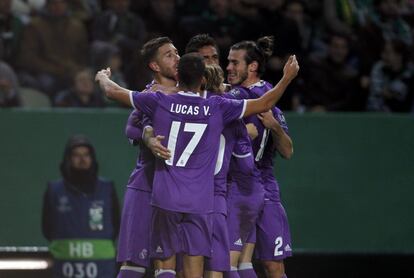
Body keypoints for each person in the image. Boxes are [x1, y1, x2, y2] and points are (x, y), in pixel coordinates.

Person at [95, 52, 299, 277]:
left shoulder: (159, 101)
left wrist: (102, 77)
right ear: (202, 78)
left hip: (165, 197)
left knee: (165, 267)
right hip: (201, 200)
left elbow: (112, 92)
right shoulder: (219, 107)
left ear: (178, 76)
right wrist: (287, 77)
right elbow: (265, 103)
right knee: (195, 270)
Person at [226, 37, 294, 278]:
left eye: (235, 63)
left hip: (264, 186)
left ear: (252, 66)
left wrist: (275, 127)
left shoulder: (268, 102)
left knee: (273, 265)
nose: (228, 68)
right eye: (228, 62)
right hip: (233, 185)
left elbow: (287, 151)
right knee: (233, 262)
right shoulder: (233, 96)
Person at [116, 36, 179, 278]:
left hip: (176, 190)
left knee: (169, 264)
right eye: (169, 55)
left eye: (177, 53)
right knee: (134, 263)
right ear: (154, 66)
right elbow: (130, 128)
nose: (177, 58)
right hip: (145, 186)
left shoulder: (190, 93)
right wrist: (148, 137)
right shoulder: (150, 95)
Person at [41, 134, 120, 278]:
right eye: (76, 155)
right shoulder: (54, 190)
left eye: (86, 155)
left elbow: (116, 224)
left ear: (92, 158)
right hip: (64, 270)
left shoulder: (107, 189)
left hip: (103, 271)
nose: (82, 159)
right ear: (68, 159)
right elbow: (47, 228)